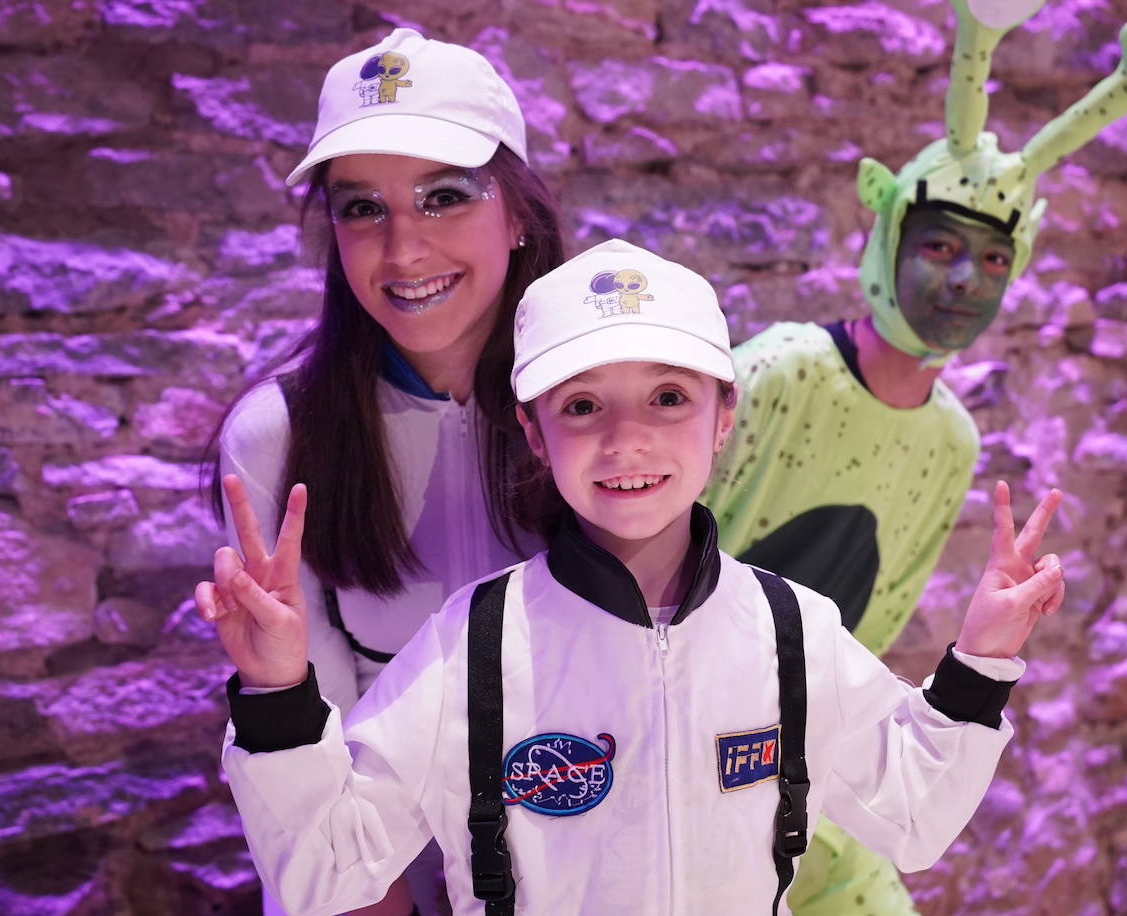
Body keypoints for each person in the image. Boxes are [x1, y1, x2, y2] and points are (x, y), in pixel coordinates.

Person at [197, 238, 1066, 915]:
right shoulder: (478, 641)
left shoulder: (790, 628)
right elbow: (327, 869)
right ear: (534, 434)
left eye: (668, 397)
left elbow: (911, 814)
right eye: (581, 405)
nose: (626, 440)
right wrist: (276, 688)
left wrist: (982, 659)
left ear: (725, 416)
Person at [701, 3, 1127, 913]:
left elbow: (872, 619)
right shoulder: (780, 372)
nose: (962, 281)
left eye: (991, 259)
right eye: (938, 245)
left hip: (800, 764)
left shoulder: (953, 439)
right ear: (888, 233)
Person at [206, 28, 565, 916]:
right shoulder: (277, 438)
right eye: (362, 207)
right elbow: (312, 757)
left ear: (517, 210)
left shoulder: (604, 407)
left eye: (444, 196)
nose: (402, 249)